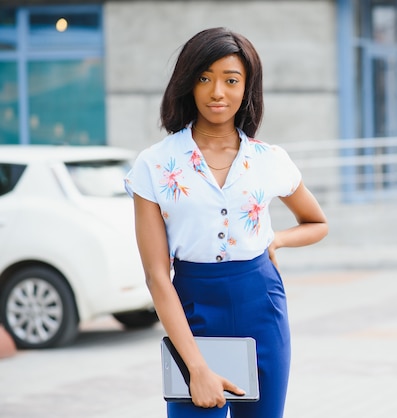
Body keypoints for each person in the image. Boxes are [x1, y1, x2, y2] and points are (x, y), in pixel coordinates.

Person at [124, 27, 328, 418]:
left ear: (247, 88)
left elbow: (316, 222)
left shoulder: (270, 159)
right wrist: (197, 368)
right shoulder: (154, 164)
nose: (218, 92)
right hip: (192, 311)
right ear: (187, 84)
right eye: (204, 78)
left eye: (231, 80)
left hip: (262, 308)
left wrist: (277, 240)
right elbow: (155, 276)